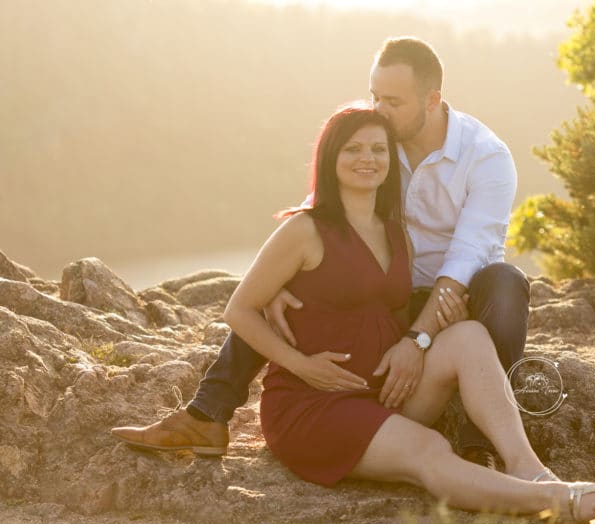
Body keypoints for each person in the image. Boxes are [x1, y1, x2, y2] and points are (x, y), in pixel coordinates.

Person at [113, 103, 595, 524]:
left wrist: (419, 342)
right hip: (316, 407)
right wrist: (299, 363)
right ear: (331, 158)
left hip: (381, 391)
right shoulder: (304, 230)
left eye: (379, 149)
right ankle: (555, 505)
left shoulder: (394, 229)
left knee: (469, 336)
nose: (368, 158)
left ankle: (530, 469)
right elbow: (238, 311)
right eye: (354, 149)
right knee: (428, 450)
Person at [109, 36, 532, 471]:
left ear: (432, 100)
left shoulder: (487, 159)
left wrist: (417, 339)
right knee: (287, 294)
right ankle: (206, 416)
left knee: (505, 282)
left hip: (453, 298)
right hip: (387, 293)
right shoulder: (376, 141)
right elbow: (323, 215)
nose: (379, 110)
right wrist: (283, 281)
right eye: (374, 96)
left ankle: (479, 444)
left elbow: (467, 256)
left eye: (392, 101)